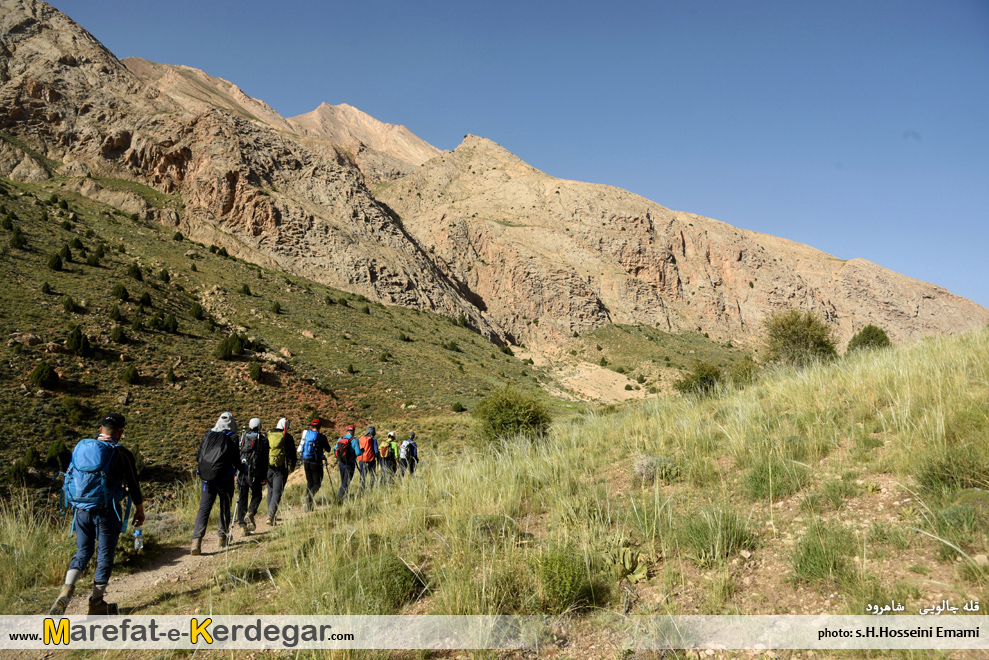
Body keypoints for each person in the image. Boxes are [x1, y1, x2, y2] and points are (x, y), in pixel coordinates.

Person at [49, 412, 145, 616]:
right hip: (106, 510)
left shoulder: (81, 448)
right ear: (121, 432)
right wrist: (139, 509)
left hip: (81, 510)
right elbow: (133, 484)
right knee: (104, 556)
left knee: (83, 552)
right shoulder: (122, 453)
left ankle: (67, 588)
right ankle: (96, 603)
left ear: (100, 430)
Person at [191, 412, 241, 555]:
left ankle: (196, 541)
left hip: (207, 478)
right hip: (225, 479)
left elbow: (198, 456)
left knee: (204, 508)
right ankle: (221, 537)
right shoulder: (232, 437)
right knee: (225, 506)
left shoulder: (208, 435)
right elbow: (235, 458)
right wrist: (242, 468)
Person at [235, 418, 269, 534]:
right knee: (257, 495)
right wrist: (264, 476)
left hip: (242, 473)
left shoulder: (242, 438)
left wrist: (236, 473)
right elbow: (265, 460)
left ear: (249, 426)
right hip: (255, 474)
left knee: (242, 498)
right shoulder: (263, 440)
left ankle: (242, 527)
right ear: (260, 426)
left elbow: (237, 455)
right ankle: (250, 512)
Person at [265, 418, 295, 526]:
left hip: (268, 467)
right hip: (281, 468)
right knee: (277, 491)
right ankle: (271, 515)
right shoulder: (286, 437)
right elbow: (292, 453)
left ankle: (270, 513)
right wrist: (293, 465)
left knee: (270, 490)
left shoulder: (268, 435)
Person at [298, 418, 332, 511]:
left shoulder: (306, 434)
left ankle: (308, 503)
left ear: (311, 426)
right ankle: (308, 499)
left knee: (310, 482)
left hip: (305, 461)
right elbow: (328, 449)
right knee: (317, 483)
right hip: (316, 462)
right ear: (320, 427)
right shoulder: (321, 437)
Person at [334, 424, 358, 499]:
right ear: (353, 431)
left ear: (347, 431)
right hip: (350, 463)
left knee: (343, 482)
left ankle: (345, 498)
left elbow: (335, 449)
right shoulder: (354, 440)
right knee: (346, 482)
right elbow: (358, 453)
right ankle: (338, 499)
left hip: (341, 463)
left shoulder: (340, 439)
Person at [356, 426, 379, 490]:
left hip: (362, 460)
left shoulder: (361, 438)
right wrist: (377, 457)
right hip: (370, 460)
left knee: (362, 475)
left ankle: (361, 489)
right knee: (372, 475)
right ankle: (370, 488)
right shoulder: (373, 439)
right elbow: (376, 451)